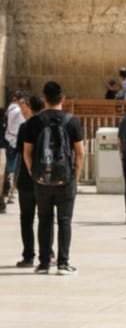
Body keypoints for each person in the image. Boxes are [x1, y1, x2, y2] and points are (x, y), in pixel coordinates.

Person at [21, 81, 85, 274]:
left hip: (41, 179)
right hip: (65, 178)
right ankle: (63, 264)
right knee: (64, 220)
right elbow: (80, 153)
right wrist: (75, 176)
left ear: (44, 99)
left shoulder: (34, 122)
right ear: (62, 98)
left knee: (44, 219)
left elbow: (27, 152)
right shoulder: (72, 121)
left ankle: (43, 264)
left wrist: (34, 173)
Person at [13, 94, 42, 267]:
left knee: (27, 219)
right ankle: (48, 253)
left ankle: (29, 256)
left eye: (24, 109)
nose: (22, 112)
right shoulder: (49, 125)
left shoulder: (25, 127)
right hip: (45, 178)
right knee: (45, 217)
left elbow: (21, 152)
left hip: (27, 178)